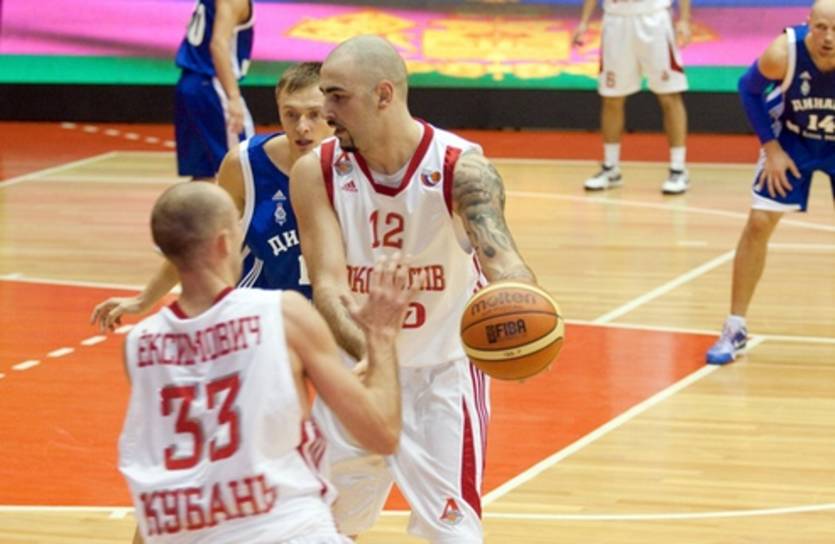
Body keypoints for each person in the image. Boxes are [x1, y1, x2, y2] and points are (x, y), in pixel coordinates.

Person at [290, 35, 540, 543]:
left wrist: (524, 313)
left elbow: (507, 264)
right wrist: (375, 356)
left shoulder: (461, 169)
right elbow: (328, 286)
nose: (326, 111)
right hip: (357, 372)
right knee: (319, 530)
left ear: (384, 94)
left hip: (442, 376)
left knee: (453, 536)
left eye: (338, 96)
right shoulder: (317, 171)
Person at [119, 182, 418, 543]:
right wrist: (381, 338)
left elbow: (161, 469)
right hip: (284, 530)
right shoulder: (282, 314)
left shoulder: (139, 345)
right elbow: (381, 433)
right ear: (224, 243)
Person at [91, 62, 332, 332]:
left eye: (314, 115)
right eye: (291, 114)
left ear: (333, 112)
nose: (302, 126)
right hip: (261, 320)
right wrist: (143, 300)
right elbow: (201, 241)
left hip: (337, 319)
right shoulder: (245, 165)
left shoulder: (357, 165)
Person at [706, 0, 835, 365]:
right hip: (793, 138)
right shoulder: (783, 52)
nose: (828, 38)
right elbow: (748, 89)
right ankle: (735, 327)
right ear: (808, 23)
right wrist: (772, 148)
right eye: (821, 27)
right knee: (760, 222)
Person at [573, 0, 692, 194]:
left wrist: (684, 20)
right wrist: (584, 22)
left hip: (654, 18)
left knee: (669, 95)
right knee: (612, 97)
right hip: (616, 21)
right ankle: (611, 168)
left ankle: (678, 169)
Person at [175, 0, 255, 180]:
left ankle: (199, 202)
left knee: (202, 174)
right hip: (212, 85)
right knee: (244, 166)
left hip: (191, 84)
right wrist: (233, 97)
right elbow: (218, 44)